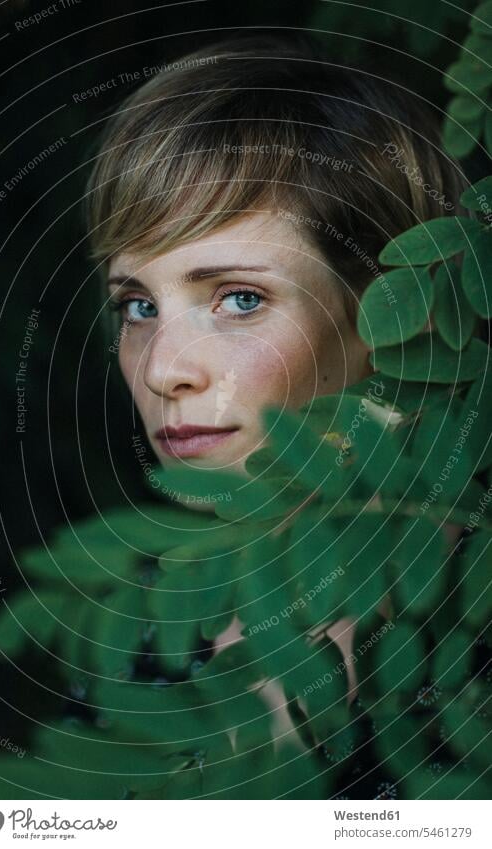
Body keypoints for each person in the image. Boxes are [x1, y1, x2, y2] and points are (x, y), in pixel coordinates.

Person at [84, 33, 471, 797]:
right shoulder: (152, 627)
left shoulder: (466, 669)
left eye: (238, 298)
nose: (163, 368)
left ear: (393, 312)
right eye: (137, 305)